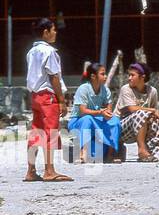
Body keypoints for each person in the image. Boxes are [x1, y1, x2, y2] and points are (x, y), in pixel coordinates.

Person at [24, 18, 71, 182]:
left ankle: (30, 170)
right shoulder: (49, 52)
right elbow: (54, 77)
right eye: (53, 29)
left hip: (35, 96)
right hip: (48, 96)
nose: (55, 32)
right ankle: (49, 170)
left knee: (36, 132)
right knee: (50, 132)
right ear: (45, 32)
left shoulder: (31, 52)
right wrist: (62, 101)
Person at [116, 63, 159, 163]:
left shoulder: (152, 91)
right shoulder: (126, 89)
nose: (129, 78)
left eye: (132, 75)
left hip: (142, 126)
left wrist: (154, 115)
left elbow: (155, 112)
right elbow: (131, 109)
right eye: (129, 75)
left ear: (142, 77)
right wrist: (151, 111)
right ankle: (142, 151)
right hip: (123, 128)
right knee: (141, 113)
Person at [68, 62, 122, 163]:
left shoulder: (105, 90)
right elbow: (83, 111)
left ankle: (111, 154)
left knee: (115, 121)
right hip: (78, 120)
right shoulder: (83, 89)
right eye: (102, 74)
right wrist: (100, 113)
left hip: (96, 118)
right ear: (93, 76)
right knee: (87, 119)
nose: (105, 76)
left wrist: (107, 114)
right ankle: (82, 152)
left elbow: (109, 109)